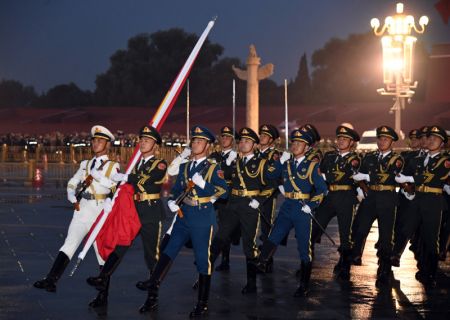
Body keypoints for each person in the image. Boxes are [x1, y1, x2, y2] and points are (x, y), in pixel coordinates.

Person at [139, 125, 228, 318]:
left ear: (208, 145)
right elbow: (177, 189)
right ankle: (153, 285)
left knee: (203, 261)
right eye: (194, 140)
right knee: (168, 250)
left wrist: (204, 184)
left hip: (202, 216)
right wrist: (172, 200)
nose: (195, 143)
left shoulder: (213, 168)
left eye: (199, 141)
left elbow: (224, 192)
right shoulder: (185, 166)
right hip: (183, 215)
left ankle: (202, 304)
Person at [85, 125, 167, 306]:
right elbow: (126, 186)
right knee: (120, 245)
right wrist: (112, 196)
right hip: (133, 211)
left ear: (155, 145)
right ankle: (103, 277)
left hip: (151, 212)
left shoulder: (159, 164)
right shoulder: (136, 164)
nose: (143, 142)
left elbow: (149, 179)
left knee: (151, 255)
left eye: (147, 140)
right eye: (142, 140)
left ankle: (152, 296)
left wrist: (126, 177)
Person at [34, 125, 119, 293]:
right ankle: (51, 279)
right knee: (69, 244)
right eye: (94, 140)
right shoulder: (86, 164)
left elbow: (115, 186)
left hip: (100, 210)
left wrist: (100, 178)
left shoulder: (112, 166)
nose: (95, 143)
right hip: (83, 209)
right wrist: (71, 193)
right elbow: (73, 180)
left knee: (101, 253)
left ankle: (103, 295)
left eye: (100, 141)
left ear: (107, 144)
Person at [256, 128, 327, 296]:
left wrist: (312, 204)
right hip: (288, 206)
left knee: (304, 247)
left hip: (303, 208)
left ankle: (304, 284)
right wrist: (280, 162)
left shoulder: (312, 166)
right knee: (274, 235)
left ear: (307, 147)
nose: (295, 146)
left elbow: (322, 190)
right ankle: (262, 261)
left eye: (299, 143)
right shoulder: (287, 163)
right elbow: (268, 174)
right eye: (293, 142)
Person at [208, 127, 280, 294]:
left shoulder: (262, 164)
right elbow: (225, 181)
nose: (243, 143)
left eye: (247, 141)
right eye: (241, 140)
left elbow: (272, 185)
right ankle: (206, 268)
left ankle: (251, 283)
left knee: (249, 244)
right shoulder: (235, 163)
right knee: (221, 235)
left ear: (254, 144)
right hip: (232, 204)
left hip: (249, 206)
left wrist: (259, 200)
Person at [393, 126, 449, 287]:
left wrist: (409, 178)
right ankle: (395, 254)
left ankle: (431, 272)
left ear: (442, 144)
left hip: (433, 201)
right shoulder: (417, 159)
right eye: (429, 138)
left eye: (436, 139)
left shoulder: (444, 161)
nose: (431, 141)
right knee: (406, 227)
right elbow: (405, 173)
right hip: (417, 199)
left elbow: (432, 176)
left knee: (430, 238)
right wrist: (405, 182)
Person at [352, 126, 403, 287]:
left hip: (387, 198)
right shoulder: (370, 156)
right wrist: (363, 188)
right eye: (380, 139)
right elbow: (358, 174)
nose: (382, 142)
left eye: (386, 139)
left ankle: (384, 270)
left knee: (386, 237)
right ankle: (356, 255)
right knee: (361, 228)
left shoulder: (397, 159)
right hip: (371, 197)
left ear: (392, 142)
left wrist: (368, 176)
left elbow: (390, 175)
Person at [311, 124, 360, 280]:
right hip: (330, 196)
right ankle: (307, 262)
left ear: (351, 143)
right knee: (315, 227)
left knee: (346, 233)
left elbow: (351, 176)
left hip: (346, 197)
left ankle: (344, 265)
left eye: (345, 139)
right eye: (339, 138)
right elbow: (320, 173)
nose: (341, 141)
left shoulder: (355, 159)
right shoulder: (330, 156)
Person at [209, 126, 238, 272]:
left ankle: (224, 260)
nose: (224, 139)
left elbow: (232, 175)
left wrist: (227, 165)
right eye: (223, 136)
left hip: (228, 196)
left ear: (232, 140)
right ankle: (222, 259)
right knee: (218, 226)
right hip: (214, 195)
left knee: (225, 229)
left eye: (228, 137)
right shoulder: (214, 156)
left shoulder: (236, 157)